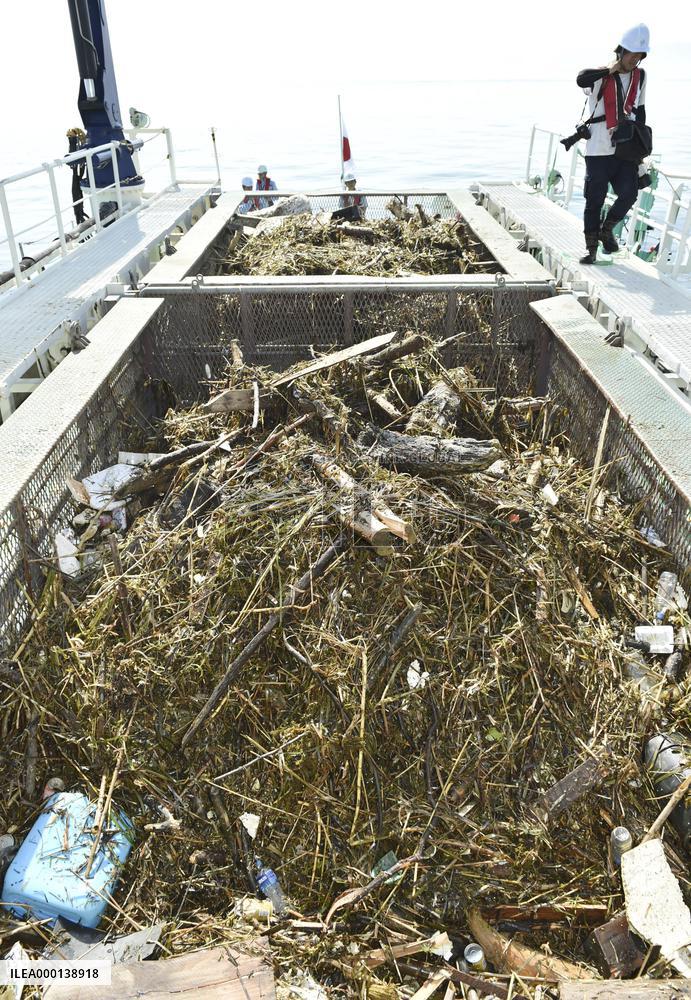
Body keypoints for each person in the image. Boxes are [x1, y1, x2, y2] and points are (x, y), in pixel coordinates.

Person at [575, 23, 650, 264]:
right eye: (631, 54)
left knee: (629, 193)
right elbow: (580, 79)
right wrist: (610, 69)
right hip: (597, 148)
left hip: (625, 149)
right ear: (621, 51)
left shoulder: (641, 76)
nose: (634, 59)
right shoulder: (600, 75)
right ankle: (591, 249)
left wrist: (641, 148)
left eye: (639, 56)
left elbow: (640, 111)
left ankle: (606, 231)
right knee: (594, 200)